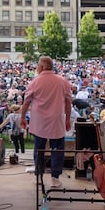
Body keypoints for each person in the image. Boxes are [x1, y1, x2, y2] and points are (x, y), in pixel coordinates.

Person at [19, 55, 73, 190]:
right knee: (57, 150)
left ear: (42, 66)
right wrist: (67, 119)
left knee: (39, 149)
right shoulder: (62, 81)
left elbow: (26, 102)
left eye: (38, 64)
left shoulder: (35, 82)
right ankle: (55, 178)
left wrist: (22, 117)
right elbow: (68, 102)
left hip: (39, 121)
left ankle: (39, 176)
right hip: (57, 119)